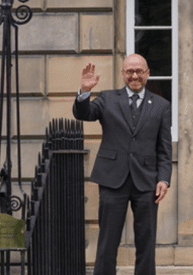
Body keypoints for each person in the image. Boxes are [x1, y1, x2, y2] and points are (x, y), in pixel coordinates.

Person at [73, 54, 172, 275]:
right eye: (129, 71)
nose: (134, 76)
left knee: (146, 242)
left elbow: (165, 148)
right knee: (108, 241)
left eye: (139, 71)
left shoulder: (161, 105)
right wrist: (85, 92)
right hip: (112, 178)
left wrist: (164, 178)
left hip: (147, 181)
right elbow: (84, 114)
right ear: (122, 74)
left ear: (147, 73)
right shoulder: (107, 98)